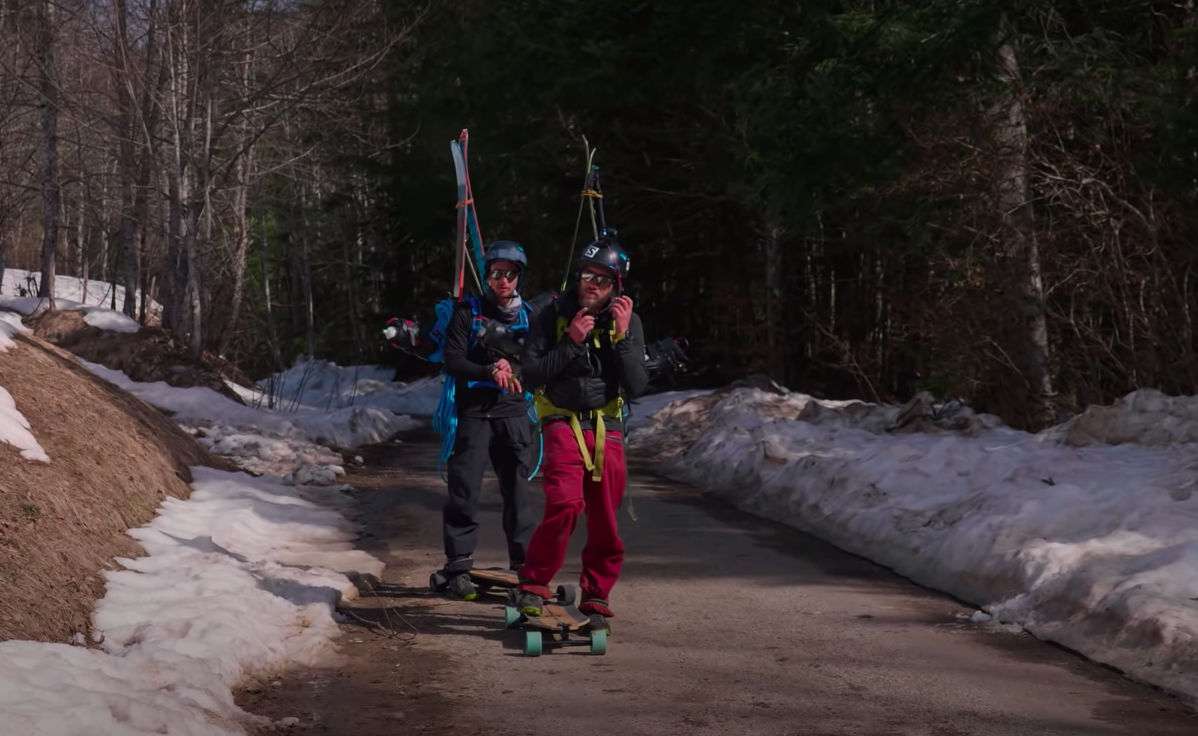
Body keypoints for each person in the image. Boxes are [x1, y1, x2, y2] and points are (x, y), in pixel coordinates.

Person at [510, 235, 650, 633]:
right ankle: (534, 583)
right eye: (588, 275)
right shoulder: (551, 314)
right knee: (565, 504)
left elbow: (637, 385)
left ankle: (597, 592)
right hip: (560, 421)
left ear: (616, 287)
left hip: (607, 426)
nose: (593, 284)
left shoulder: (628, 321)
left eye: (603, 280)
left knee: (605, 515)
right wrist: (571, 342)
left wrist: (622, 337)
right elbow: (532, 374)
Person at [437, 240, 537, 601]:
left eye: (510, 274)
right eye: (497, 273)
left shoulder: (531, 314)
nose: (503, 280)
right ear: (487, 275)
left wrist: (518, 367)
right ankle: (459, 566)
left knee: (518, 493)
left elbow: (541, 360)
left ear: (519, 276)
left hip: (512, 412)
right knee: (464, 490)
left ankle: (526, 567)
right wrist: (488, 367)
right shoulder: (468, 311)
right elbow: (452, 361)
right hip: (474, 410)